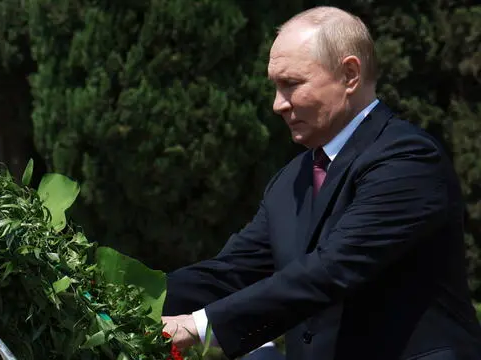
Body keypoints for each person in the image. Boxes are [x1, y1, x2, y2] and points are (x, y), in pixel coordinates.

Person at [161, 6, 481, 360]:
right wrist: (117, 295)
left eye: (292, 84)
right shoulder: (292, 180)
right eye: (275, 87)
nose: (277, 105)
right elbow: (232, 272)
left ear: (350, 74)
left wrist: (196, 325)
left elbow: (332, 269)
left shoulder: (408, 160)